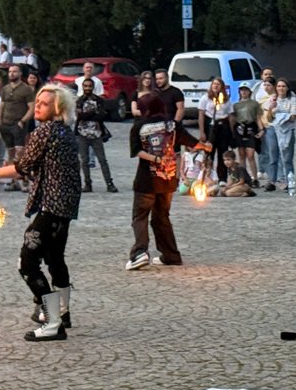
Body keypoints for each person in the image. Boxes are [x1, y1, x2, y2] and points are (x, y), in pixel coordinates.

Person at [0, 84, 81, 342]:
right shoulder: (65, 132)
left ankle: (53, 321)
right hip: (65, 208)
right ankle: (63, 312)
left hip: (51, 207)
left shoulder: (44, 133)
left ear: (57, 109)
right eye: (38, 101)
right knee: (56, 259)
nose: (38, 106)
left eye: (44, 103)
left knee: (27, 263)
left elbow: (21, 168)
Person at [126, 93, 211, 271]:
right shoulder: (171, 125)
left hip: (146, 180)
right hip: (168, 179)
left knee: (140, 216)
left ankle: (140, 253)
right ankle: (171, 255)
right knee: (161, 217)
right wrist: (205, 146)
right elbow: (191, 142)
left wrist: (155, 159)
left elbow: (137, 152)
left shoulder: (138, 126)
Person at [75, 78, 118, 193]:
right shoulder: (79, 100)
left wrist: (86, 115)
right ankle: (87, 183)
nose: (88, 88)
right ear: (83, 87)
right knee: (84, 161)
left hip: (96, 133)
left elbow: (101, 115)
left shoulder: (99, 100)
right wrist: (92, 113)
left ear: (93, 87)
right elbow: (79, 116)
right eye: (86, 86)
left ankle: (109, 183)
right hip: (82, 133)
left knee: (102, 160)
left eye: (90, 86)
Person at [0, 64, 35, 192]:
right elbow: (2, 105)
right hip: (5, 124)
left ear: (20, 74)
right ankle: (12, 180)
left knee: (20, 152)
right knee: (10, 153)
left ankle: (23, 180)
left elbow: (31, 107)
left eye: (14, 71)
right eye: (10, 71)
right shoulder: (6, 88)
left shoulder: (26, 89)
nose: (12, 74)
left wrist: (23, 121)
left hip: (18, 124)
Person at [198, 77, 234, 183]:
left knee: (222, 151)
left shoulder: (226, 100)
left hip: (222, 126)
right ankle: (208, 176)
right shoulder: (205, 98)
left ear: (222, 87)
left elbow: (230, 116)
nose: (216, 86)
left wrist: (232, 132)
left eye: (218, 84)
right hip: (210, 126)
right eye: (214, 84)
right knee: (209, 153)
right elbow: (201, 115)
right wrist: (202, 132)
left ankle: (222, 178)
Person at [231, 82, 263, 186]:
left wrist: (261, 129)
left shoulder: (254, 104)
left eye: (246, 90)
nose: (244, 92)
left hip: (251, 128)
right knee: (241, 154)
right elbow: (233, 119)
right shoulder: (235, 105)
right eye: (242, 90)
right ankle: (243, 177)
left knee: (250, 155)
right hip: (240, 129)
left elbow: (258, 117)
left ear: (249, 92)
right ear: (239, 92)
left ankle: (255, 178)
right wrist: (232, 132)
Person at [267, 78, 296, 190]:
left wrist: (279, 115)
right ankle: (272, 181)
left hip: (288, 130)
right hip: (275, 129)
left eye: (283, 86)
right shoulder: (273, 99)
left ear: (287, 88)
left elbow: (293, 116)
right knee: (273, 155)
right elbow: (269, 118)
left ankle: (290, 182)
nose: (281, 88)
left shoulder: (292, 99)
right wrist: (271, 109)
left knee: (287, 158)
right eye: (279, 86)